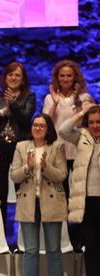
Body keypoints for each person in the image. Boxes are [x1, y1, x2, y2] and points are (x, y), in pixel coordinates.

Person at [42, 60, 93, 251]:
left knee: (79, 195)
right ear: (57, 77)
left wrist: (80, 102)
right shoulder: (50, 98)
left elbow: (86, 121)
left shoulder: (84, 97)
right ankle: (63, 239)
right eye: (61, 75)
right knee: (61, 195)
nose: (65, 79)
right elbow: (45, 121)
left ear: (75, 78)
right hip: (58, 152)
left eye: (68, 76)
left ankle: (80, 236)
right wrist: (55, 103)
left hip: (78, 151)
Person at [11, 113, 67, 276]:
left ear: (48, 129)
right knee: (30, 250)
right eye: (35, 125)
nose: (37, 128)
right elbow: (14, 175)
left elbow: (62, 175)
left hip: (52, 203)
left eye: (42, 125)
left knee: (53, 250)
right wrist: (27, 167)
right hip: (28, 203)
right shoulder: (21, 146)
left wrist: (45, 166)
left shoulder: (57, 146)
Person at [0, 62, 35, 229]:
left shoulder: (29, 96)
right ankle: (1, 233)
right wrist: (4, 109)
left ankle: (23, 233)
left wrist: (12, 105)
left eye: (17, 75)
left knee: (21, 188)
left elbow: (25, 119)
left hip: (19, 147)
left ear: (22, 80)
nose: (13, 78)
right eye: (10, 75)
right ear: (5, 77)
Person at [58, 104, 100, 276]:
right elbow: (63, 130)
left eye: (99, 122)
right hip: (87, 201)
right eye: (91, 122)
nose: (95, 126)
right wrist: (82, 112)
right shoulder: (82, 136)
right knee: (91, 246)